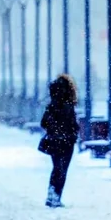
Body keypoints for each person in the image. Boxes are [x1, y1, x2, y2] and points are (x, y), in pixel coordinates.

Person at [38, 74, 79, 208]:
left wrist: (53, 131)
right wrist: (72, 133)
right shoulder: (68, 105)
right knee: (62, 169)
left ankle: (51, 194)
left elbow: (43, 123)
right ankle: (56, 196)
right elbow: (73, 124)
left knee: (56, 168)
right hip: (67, 142)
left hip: (54, 141)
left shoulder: (52, 105)